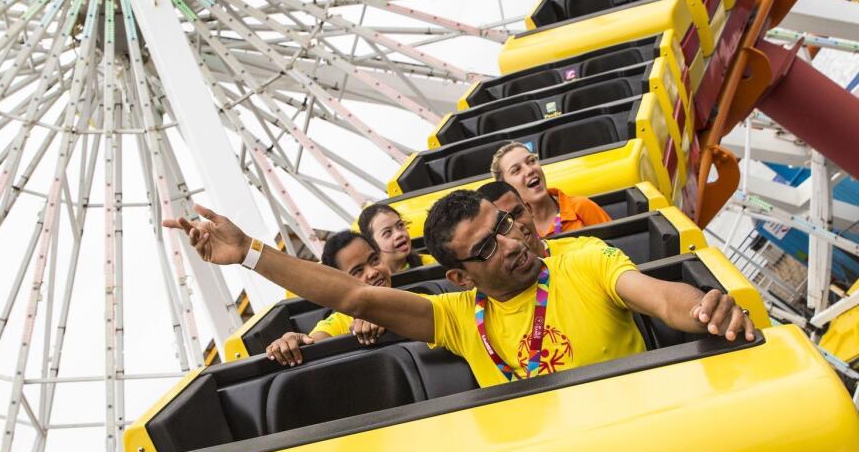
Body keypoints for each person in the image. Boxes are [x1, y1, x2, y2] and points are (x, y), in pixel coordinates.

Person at [163, 190, 753, 388]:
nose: (512, 243)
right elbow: (356, 300)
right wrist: (250, 255)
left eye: (503, 226)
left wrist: (704, 309)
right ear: (461, 277)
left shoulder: (581, 260)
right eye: (488, 247)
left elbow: (656, 296)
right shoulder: (455, 317)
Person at [265, 230, 393, 365]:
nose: (373, 272)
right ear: (338, 285)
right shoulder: (338, 322)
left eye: (374, 260)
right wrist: (291, 344)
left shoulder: (417, 297)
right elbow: (312, 342)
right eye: (358, 271)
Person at [490, 142, 611, 239]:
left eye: (531, 161)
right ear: (506, 186)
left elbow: (617, 250)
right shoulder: (512, 232)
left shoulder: (581, 206)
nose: (529, 170)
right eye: (516, 170)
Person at [476, 181, 606, 259]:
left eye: (518, 213)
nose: (517, 226)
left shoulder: (586, 251)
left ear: (529, 210)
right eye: (503, 224)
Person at [357, 203, 437, 274]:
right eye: (387, 232)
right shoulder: (374, 282)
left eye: (400, 225)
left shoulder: (434, 264)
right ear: (372, 243)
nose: (399, 234)